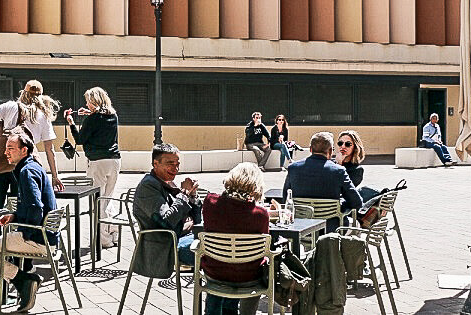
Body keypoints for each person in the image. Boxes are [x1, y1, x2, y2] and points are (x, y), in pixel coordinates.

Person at [0, 132, 59, 312]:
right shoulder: (33, 167)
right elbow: (32, 205)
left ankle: (24, 280)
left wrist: (25, 232)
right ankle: (24, 281)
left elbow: (35, 207)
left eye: (10, 148)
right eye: (5, 148)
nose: (6, 153)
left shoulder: (27, 172)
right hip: (46, 237)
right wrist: (15, 216)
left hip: (36, 239)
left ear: (24, 150)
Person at [0, 80, 63, 241]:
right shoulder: (43, 115)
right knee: (23, 207)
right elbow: (49, 149)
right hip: (26, 164)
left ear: (23, 93)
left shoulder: (10, 106)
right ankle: (19, 249)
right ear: (41, 96)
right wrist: (54, 175)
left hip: (1, 162)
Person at [200, 163, 270, 315]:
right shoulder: (261, 214)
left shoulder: (210, 202)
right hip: (248, 277)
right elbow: (264, 248)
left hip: (215, 273)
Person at [133, 143, 203, 279]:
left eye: (177, 164)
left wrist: (193, 196)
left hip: (182, 236)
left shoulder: (168, 183)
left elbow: (197, 220)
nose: (175, 168)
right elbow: (167, 220)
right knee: (217, 251)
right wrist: (184, 193)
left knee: (218, 244)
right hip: (166, 245)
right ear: (155, 163)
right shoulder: (148, 185)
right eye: (170, 163)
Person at [64, 86, 121, 247]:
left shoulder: (93, 119)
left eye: (89, 102)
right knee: (109, 197)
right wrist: (90, 113)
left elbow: (80, 139)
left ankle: (103, 240)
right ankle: (114, 233)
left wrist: (71, 122)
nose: (87, 105)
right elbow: (100, 121)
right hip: (115, 160)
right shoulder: (113, 115)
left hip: (98, 162)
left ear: (94, 101)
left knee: (98, 200)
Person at [282, 132, 362, 230]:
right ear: (330, 151)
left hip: (302, 228)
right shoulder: (338, 171)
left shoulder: (293, 168)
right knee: (356, 227)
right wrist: (339, 207)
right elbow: (357, 202)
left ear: (311, 149)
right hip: (331, 230)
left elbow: (285, 198)